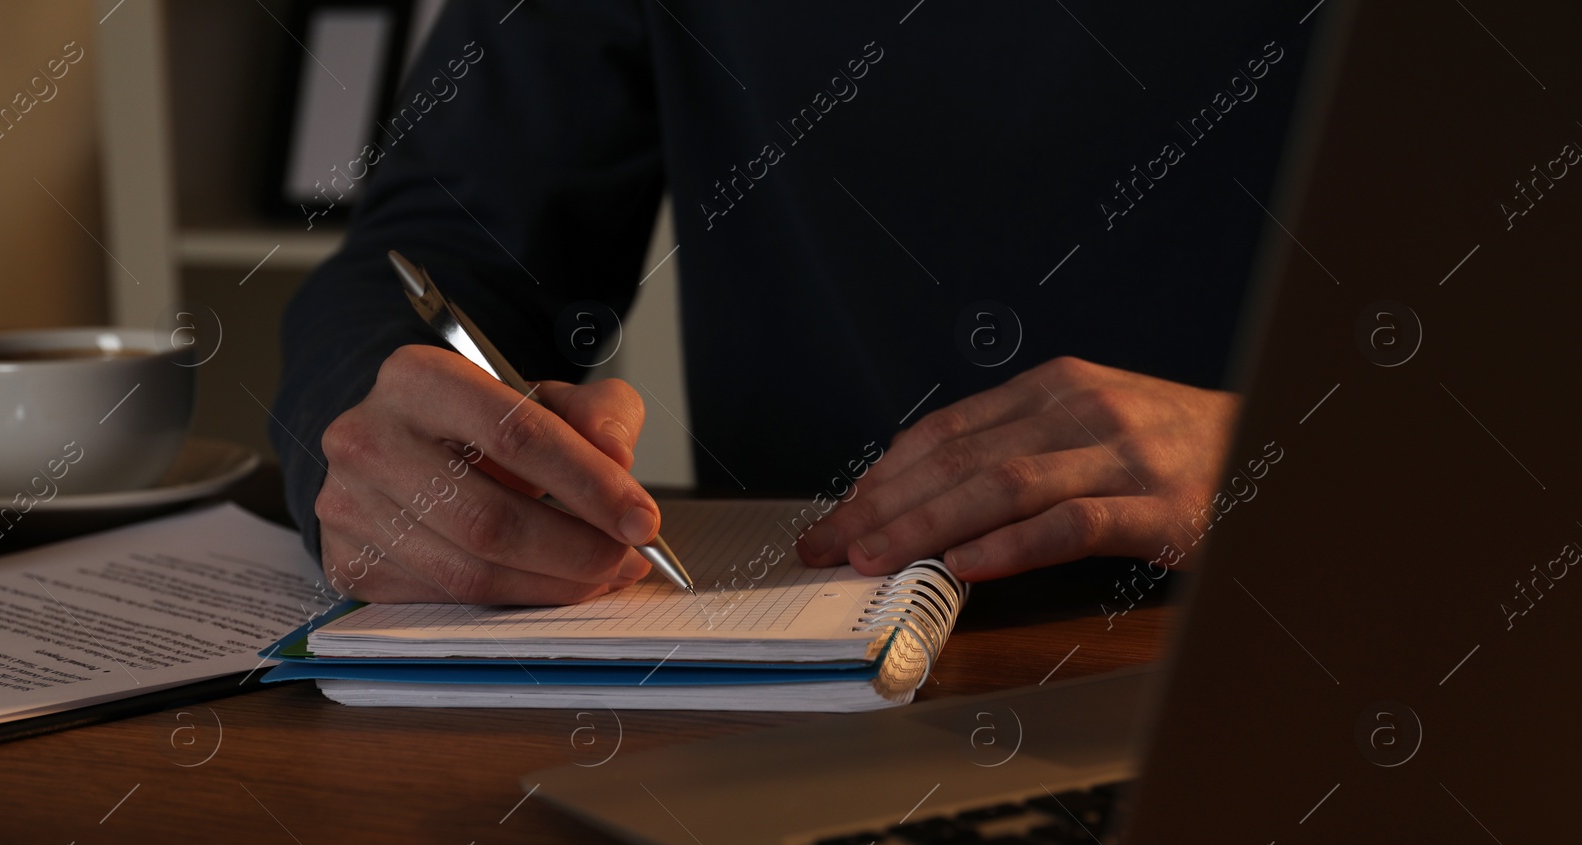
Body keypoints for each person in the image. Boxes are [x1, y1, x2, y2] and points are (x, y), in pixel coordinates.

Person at [274, 0, 1312, 605]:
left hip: (1325, 640)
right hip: (798, 665)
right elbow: (433, 251)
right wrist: (362, 421)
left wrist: (1324, 455)